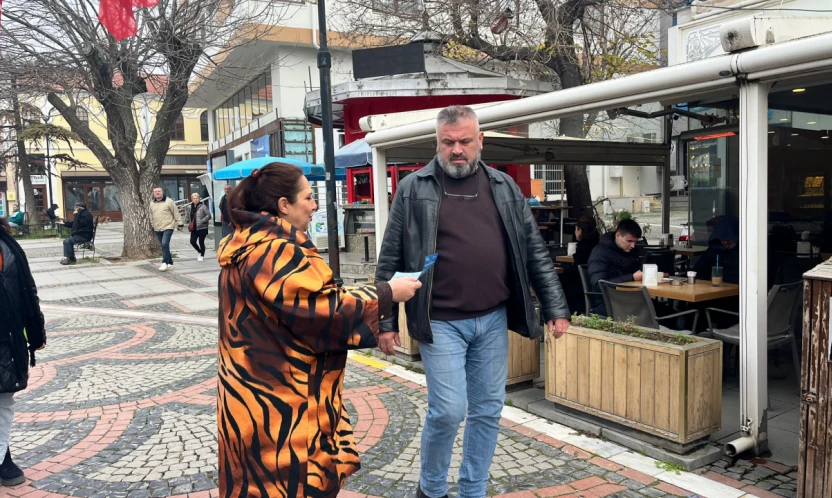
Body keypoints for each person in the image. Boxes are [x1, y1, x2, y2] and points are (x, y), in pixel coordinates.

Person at [375, 105, 570, 498]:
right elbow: (390, 258)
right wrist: (385, 322)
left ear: (480, 140)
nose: (457, 150)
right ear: (438, 142)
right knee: (448, 411)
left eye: (465, 141)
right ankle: (430, 491)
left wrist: (556, 307)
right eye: (448, 142)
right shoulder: (414, 188)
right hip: (440, 321)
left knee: (488, 410)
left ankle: (472, 490)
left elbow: (533, 250)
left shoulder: (504, 186)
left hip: (492, 319)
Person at [216, 162, 421, 498]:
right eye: (308, 198)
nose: (314, 206)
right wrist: (388, 294)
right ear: (284, 205)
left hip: (253, 399)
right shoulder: (276, 251)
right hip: (284, 409)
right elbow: (324, 314)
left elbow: (308, 301)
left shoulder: (248, 245)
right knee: (288, 487)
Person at [0, 217, 46, 486]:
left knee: (3, 398)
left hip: (7, 337)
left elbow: (26, 289)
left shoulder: (8, 243)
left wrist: (36, 330)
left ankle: (3, 455)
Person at [586, 218, 643, 315]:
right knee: (660, 314)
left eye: (635, 241)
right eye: (629, 241)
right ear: (618, 235)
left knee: (668, 314)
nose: (633, 245)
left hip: (631, 297)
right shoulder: (600, 252)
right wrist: (632, 277)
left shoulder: (631, 251)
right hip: (607, 302)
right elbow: (599, 285)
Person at [694, 215, 739, 284]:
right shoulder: (713, 251)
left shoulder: (745, 252)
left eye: (729, 238)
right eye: (722, 238)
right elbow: (697, 272)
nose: (725, 242)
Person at [150, 187, 182, 272]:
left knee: (164, 244)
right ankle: (170, 263)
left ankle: (164, 262)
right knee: (164, 246)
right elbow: (151, 215)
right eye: (155, 192)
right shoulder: (152, 203)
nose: (157, 193)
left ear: (162, 192)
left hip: (168, 226)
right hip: (157, 227)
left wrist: (180, 223)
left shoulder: (169, 201)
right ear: (153, 193)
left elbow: (175, 212)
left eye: (159, 191)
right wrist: (152, 224)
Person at [187, 193, 211, 262]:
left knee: (201, 242)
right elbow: (188, 216)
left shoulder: (203, 206)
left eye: (197, 198)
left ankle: (202, 255)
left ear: (199, 199)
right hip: (194, 228)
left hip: (202, 227)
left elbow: (208, 216)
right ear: (192, 199)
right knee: (192, 241)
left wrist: (202, 221)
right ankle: (199, 251)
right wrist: (187, 221)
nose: (195, 200)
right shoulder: (189, 207)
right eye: (194, 198)